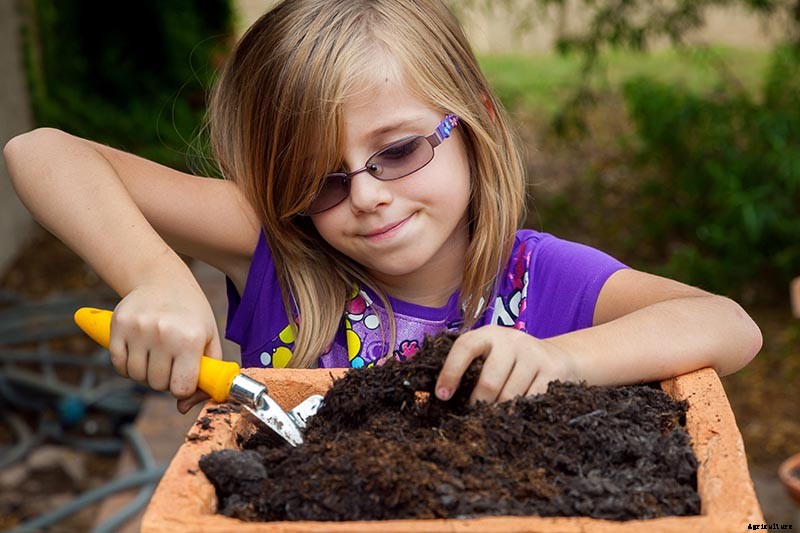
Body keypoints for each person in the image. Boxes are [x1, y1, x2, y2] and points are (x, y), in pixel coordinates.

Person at [4, 0, 761, 415]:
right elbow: (41, 151)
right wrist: (156, 277)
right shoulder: (279, 248)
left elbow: (728, 324)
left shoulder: (541, 279)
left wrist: (563, 358)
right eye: (319, 179)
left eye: (398, 151)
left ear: (476, 121)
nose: (365, 196)